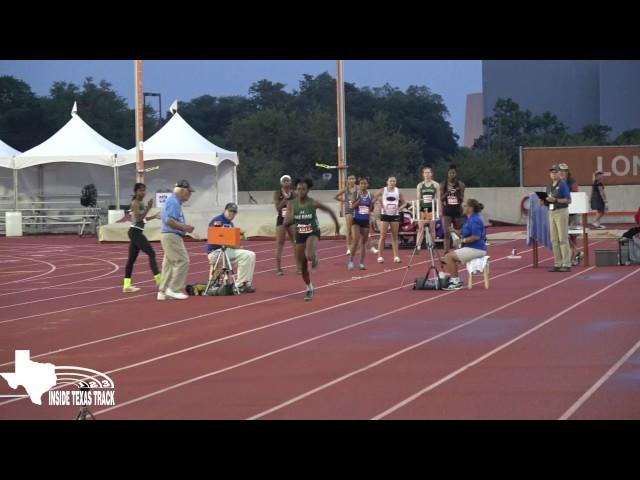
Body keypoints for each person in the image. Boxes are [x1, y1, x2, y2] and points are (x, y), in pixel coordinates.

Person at [284, 178, 340, 301]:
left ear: (308, 190)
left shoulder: (313, 203)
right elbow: (288, 218)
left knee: (309, 255)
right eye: (298, 189)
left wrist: (337, 226)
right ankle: (309, 288)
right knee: (302, 265)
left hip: (313, 232)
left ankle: (314, 257)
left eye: (303, 189)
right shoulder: (292, 204)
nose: (300, 191)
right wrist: (287, 222)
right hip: (300, 234)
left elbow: (330, 211)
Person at [157, 180, 196, 300]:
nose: (190, 195)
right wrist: (185, 227)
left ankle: (163, 291)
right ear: (183, 191)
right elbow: (169, 220)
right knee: (183, 261)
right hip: (171, 235)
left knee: (169, 264)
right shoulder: (174, 202)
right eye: (189, 192)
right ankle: (174, 289)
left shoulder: (173, 201)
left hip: (169, 235)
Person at [207, 203, 256, 293]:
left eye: (234, 212)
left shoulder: (231, 224)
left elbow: (233, 242)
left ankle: (246, 283)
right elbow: (217, 239)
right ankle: (240, 285)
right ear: (224, 210)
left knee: (251, 254)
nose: (232, 214)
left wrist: (238, 244)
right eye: (230, 211)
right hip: (216, 252)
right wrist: (236, 246)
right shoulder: (217, 221)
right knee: (246, 255)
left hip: (226, 251)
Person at [440, 199, 487, 290]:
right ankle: (454, 279)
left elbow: (476, 237)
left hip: (476, 249)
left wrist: (462, 241)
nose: (463, 207)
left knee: (449, 257)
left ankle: (456, 281)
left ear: (470, 208)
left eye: (465, 206)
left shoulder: (475, 220)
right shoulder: (469, 219)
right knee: (446, 258)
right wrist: (454, 231)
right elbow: (463, 233)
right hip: (471, 248)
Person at [123, 183, 161, 293]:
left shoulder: (141, 203)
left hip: (136, 232)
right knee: (151, 253)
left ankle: (126, 286)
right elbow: (139, 218)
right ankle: (159, 280)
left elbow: (143, 219)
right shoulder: (135, 203)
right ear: (136, 191)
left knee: (131, 260)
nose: (143, 193)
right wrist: (149, 208)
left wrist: (154, 217)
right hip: (135, 232)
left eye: (144, 190)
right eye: (140, 190)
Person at [374, 176, 408, 264]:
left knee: (394, 236)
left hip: (395, 215)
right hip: (385, 214)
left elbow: (405, 203)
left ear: (395, 182)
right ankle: (380, 256)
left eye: (394, 181)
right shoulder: (383, 190)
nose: (392, 182)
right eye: (391, 181)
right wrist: (381, 205)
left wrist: (399, 208)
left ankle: (396, 256)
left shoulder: (398, 191)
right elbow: (374, 198)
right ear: (387, 182)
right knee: (383, 236)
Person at [546, 165, 572, 272]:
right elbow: (549, 199)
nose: (553, 174)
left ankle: (566, 263)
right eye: (551, 172)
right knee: (554, 239)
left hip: (561, 212)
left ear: (559, 173)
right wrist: (544, 201)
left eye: (555, 172)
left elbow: (568, 200)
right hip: (552, 212)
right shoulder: (548, 186)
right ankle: (558, 263)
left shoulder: (562, 184)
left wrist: (555, 200)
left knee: (563, 238)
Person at [559, 163, 583, 266]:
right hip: (561, 211)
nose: (562, 173)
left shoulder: (571, 181)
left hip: (572, 212)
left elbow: (575, 194)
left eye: (564, 171)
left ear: (568, 171)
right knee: (564, 234)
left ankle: (573, 256)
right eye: (560, 171)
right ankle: (576, 253)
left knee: (572, 235)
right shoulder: (557, 181)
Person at [348, 177, 374, 271]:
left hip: (365, 220)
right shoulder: (356, 193)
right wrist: (359, 200)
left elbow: (371, 209)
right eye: (361, 183)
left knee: (363, 243)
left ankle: (361, 262)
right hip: (356, 220)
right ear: (359, 185)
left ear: (368, 185)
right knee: (355, 240)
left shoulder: (370, 195)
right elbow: (352, 207)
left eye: (365, 183)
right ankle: (351, 260)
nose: (363, 185)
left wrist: (372, 204)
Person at [273, 175, 297, 275]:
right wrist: (285, 199)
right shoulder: (277, 193)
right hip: (281, 221)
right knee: (280, 244)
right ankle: (278, 269)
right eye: (284, 181)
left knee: (296, 243)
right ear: (281, 183)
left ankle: (299, 267)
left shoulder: (295, 193)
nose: (286, 182)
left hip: (292, 220)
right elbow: (277, 208)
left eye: (288, 181)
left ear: (290, 182)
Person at [440, 164, 466, 252]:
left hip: (457, 210)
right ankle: (446, 253)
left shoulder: (461, 184)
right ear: (448, 174)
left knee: (458, 232)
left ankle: (459, 252)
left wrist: (457, 192)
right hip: (447, 210)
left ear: (456, 174)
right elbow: (441, 198)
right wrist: (448, 192)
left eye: (453, 173)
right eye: (450, 173)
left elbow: (462, 199)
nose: (452, 175)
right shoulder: (443, 184)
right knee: (446, 233)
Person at [415, 166, 440, 252]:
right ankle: (418, 246)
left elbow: (438, 198)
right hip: (423, 208)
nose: (427, 174)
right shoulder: (420, 185)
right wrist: (418, 210)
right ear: (423, 174)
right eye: (425, 173)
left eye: (429, 173)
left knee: (432, 228)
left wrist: (439, 209)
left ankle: (432, 245)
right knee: (421, 228)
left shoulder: (435, 185)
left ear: (431, 174)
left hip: (432, 208)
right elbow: (418, 199)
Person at [334, 174, 357, 255]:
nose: (351, 180)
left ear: (355, 180)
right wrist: (344, 201)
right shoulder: (346, 189)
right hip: (349, 210)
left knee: (359, 229)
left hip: (358, 210)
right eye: (350, 179)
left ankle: (358, 245)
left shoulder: (358, 188)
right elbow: (335, 196)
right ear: (347, 180)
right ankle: (348, 248)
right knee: (349, 229)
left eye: (353, 178)